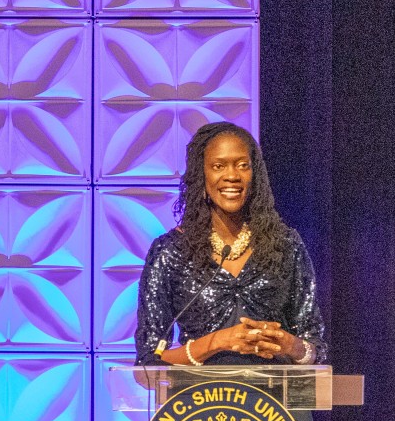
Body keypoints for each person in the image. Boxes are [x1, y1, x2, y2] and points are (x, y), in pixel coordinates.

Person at [134, 121, 324, 366]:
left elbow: (315, 348)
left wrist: (290, 345)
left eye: (242, 166)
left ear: (255, 175)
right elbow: (148, 364)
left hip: (273, 401)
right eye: (218, 166)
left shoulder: (286, 245)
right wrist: (218, 341)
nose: (232, 176)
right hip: (200, 402)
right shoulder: (170, 252)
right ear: (201, 176)